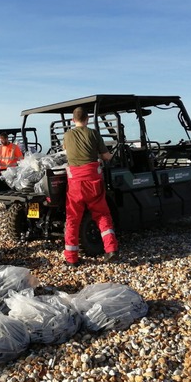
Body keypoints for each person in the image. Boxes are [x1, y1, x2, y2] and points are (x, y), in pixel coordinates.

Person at [62, 106, 119, 266]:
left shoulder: (67, 135)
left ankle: (72, 259)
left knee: (73, 219)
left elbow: (65, 151)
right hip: (93, 180)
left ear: (73, 120)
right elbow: (106, 156)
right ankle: (111, 249)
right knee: (102, 215)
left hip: (75, 183)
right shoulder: (94, 133)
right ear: (87, 119)